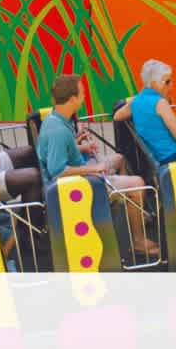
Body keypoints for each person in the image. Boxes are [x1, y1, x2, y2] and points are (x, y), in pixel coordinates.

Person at [38, 74, 159, 256]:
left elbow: (61, 150)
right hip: (77, 184)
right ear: (72, 99)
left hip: (83, 169)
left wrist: (80, 145)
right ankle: (138, 240)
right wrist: (93, 168)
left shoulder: (56, 119)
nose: (84, 96)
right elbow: (58, 172)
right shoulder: (58, 130)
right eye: (82, 93)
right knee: (137, 183)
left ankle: (132, 209)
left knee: (120, 159)